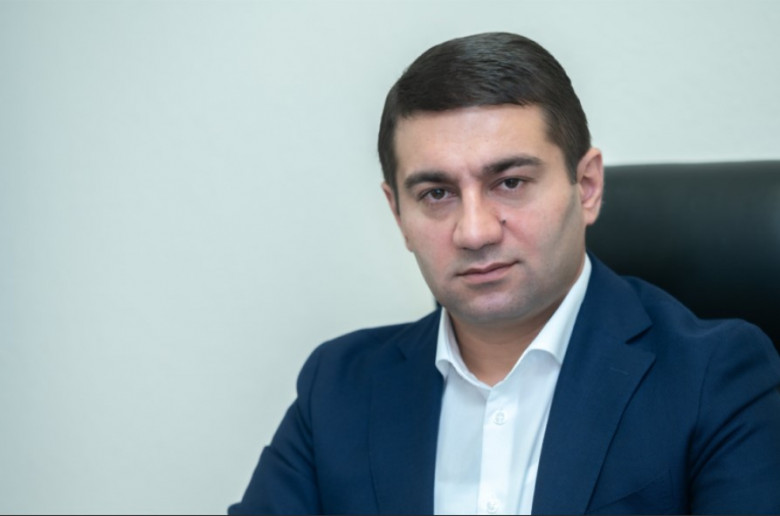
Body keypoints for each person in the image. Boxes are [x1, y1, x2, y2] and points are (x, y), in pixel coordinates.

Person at [229, 32, 780, 514]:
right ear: (398, 214)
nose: (474, 232)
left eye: (510, 182)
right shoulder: (339, 388)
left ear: (587, 187)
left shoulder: (717, 377)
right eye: (436, 193)